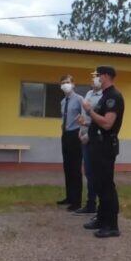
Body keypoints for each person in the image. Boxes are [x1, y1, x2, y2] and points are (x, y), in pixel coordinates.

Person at [82, 66, 125, 238]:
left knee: (106, 186)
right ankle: (101, 218)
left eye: (98, 76)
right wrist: (87, 127)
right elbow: (98, 122)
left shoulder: (113, 96)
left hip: (105, 146)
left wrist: (89, 111)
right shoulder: (105, 96)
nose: (95, 79)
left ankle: (112, 224)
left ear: (106, 76)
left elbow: (107, 123)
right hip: (96, 145)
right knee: (98, 184)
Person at [74, 71, 103, 215]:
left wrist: (89, 133)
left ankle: (99, 206)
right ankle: (90, 204)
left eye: (95, 77)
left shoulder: (105, 96)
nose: (92, 79)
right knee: (88, 172)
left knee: (96, 174)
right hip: (84, 136)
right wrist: (81, 129)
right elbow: (85, 114)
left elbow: (101, 120)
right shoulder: (89, 94)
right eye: (91, 77)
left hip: (95, 138)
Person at [56, 75, 84, 211]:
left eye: (67, 82)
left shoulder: (79, 99)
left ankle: (77, 201)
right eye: (62, 83)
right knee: (67, 167)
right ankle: (69, 197)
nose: (65, 85)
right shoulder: (63, 101)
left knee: (75, 168)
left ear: (73, 84)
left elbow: (85, 116)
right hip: (65, 135)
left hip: (75, 135)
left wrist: (82, 132)